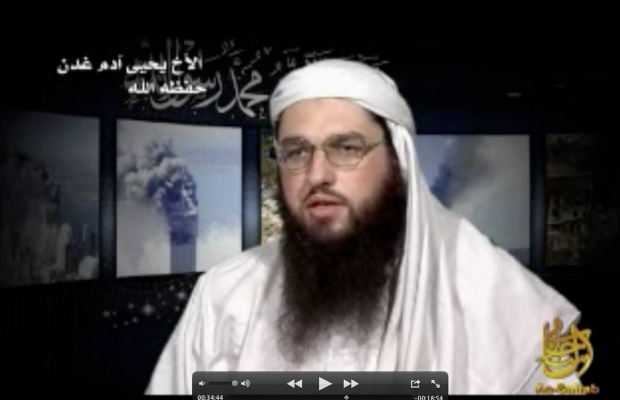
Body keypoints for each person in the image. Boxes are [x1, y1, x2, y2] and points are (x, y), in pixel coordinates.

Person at [145, 59, 583, 394]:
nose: (317, 174)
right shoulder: (224, 295)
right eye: (296, 152)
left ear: (398, 161)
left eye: (346, 148)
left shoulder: (499, 301)